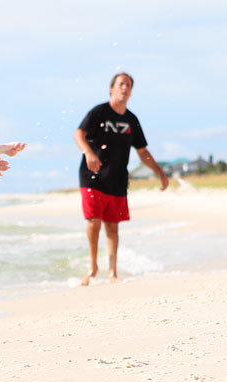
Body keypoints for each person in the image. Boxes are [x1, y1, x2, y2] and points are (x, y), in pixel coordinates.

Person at [73, 72, 169, 286]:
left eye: (128, 85)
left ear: (131, 91)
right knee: (94, 222)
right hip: (92, 176)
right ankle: (93, 268)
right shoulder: (99, 112)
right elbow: (78, 134)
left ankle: (112, 273)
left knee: (113, 226)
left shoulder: (131, 120)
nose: (124, 88)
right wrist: (89, 152)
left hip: (117, 179)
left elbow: (143, 152)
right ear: (111, 88)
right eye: (120, 84)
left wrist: (160, 173)